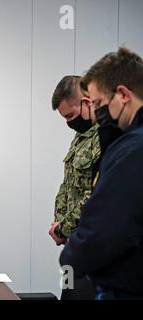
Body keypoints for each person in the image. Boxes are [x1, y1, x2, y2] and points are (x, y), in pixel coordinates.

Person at [60, 47, 143, 299]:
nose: (96, 114)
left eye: (97, 103)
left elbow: (105, 229)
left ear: (122, 95)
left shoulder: (133, 149)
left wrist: (69, 256)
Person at [49, 75, 100, 300]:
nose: (69, 122)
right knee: (68, 295)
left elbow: (94, 197)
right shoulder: (81, 138)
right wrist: (59, 224)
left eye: (70, 115)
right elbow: (67, 185)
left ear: (87, 103)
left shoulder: (107, 138)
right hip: (72, 246)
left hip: (94, 248)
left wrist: (63, 228)